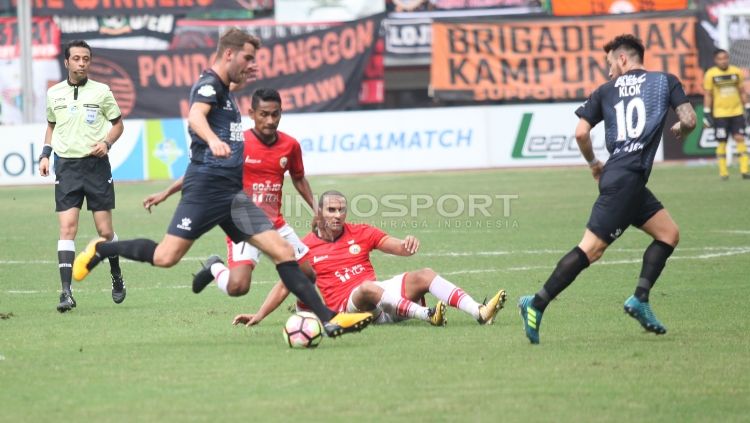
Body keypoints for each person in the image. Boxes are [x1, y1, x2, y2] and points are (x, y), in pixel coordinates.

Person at [72, 28, 372, 338]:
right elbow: (195, 117)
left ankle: (330, 318)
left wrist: (241, 79)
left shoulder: (225, 89)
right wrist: (213, 140)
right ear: (228, 53)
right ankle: (102, 248)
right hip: (205, 191)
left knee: (283, 252)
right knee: (165, 257)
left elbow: (227, 86)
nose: (249, 64)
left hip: (232, 196)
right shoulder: (208, 85)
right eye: (246, 58)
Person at [518, 34, 697, 344]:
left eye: (610, 63)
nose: (609, 70)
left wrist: (593, 164)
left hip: (622, 177)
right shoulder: (665, 81)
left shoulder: (604, 91)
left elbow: (580, 133)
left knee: (668, 233)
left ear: (623, 59)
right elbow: (690, 119)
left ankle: (640, 298)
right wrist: (681, 128)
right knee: (592, 249)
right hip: (628, 179)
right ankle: (537, 303)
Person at [232, 190, 507, 328]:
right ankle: (427, 315)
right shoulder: (305, 247)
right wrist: (258, 316)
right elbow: (284, 286)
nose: (338, 215)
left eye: (341, 210)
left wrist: (406, 245)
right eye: (331, 210)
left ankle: (479, 312)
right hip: (350, 309)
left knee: (424, 274)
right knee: (365, 288)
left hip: (384, 303)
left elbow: (395, 246)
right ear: (318, 213)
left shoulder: (361, 232)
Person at [143, 87, 316, 297]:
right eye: (264, 114)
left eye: (275, 114)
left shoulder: (290, 145)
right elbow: (202, 172)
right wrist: (166, 193)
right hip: (243, 221)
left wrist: (316, 210)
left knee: (307, 274)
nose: (270, 120)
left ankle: (304, 321)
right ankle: (215, 266)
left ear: (281, 112)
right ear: (252, 114)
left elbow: (298, 178)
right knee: (238, 287)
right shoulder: (237, 143)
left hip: (275, 224)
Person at [39, 39, 126, 313]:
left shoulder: (102, 92)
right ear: (66, 62)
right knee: (67, 229)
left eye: (85, 59)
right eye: (76, 58)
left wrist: (107, 143)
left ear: (90, 62)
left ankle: (116, 274)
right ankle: (66, 293)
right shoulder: (54, 94)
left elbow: (118, 124)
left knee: (105, 231)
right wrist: (45, 154)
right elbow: (51, 126)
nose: (81, 63)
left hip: (96, 167)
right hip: (66, 167)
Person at [703, 49, 750, 180]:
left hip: (737, 112)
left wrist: (747, 106)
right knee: (722, 142)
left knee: (740, 138)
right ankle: (724, 173)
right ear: (715, 60)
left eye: (725, 58)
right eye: (720, 58)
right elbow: (708, 95)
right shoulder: (711, 74)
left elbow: (742, 91)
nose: (723, 61)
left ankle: (745, 170)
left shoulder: (736, 71)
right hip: (720, 114)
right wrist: (707, 113)